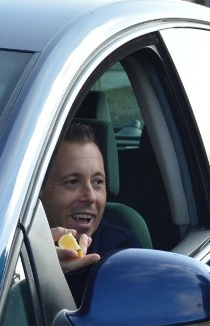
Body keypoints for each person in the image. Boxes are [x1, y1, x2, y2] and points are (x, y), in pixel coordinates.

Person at [41, 121, 141, 299]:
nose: (90, 196)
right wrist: (39, 267)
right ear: (38, 192)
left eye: (97, 182)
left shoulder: (121, 252)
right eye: (72, 182)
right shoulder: (5, 246)